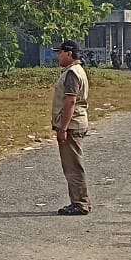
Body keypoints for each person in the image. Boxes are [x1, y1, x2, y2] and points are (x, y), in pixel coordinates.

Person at [51, 41, 91, 215]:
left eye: (59, 52)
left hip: (72, 125)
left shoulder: (72, 73)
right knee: (73, 165)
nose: (57, 56)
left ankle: (80, 203)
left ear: (68, 53)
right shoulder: (75, 71)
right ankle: (79, 201)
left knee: (73, 166)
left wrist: (63, 128)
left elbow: (70, 101)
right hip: (75, 123)